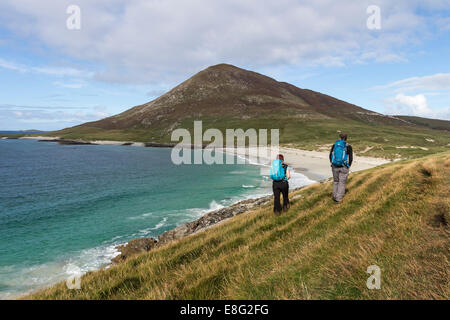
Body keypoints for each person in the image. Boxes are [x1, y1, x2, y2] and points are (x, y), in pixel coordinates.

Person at [329, 133, 353, 202]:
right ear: (346, 138)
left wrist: (331, 162)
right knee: (342, 183)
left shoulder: (335, 145)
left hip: (334, 166)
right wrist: (349, 165)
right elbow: (350, 158)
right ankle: (338, 199)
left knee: (336, 181)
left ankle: (334, 196)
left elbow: (330, 154)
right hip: (344, 166)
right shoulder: (348, 146)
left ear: (339, 138)